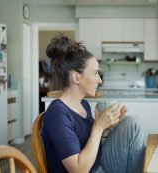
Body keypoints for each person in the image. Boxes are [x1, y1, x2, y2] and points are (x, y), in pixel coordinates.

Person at [41, 34, 145, 173]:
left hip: (96, 165)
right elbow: (78, 170)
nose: (100, 80)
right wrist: (98, 126)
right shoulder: (57, 114)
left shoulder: (83, 104)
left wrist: (106, 128)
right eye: (95, 73)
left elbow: (91, 144)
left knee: (132, 123)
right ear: (76, 78)